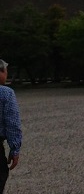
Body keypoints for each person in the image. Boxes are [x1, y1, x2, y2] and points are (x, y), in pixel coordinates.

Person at [0, 60, 22, 194]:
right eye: (5, 72)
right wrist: (15, 149)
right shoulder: (5, 93)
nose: (7, 75)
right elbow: (12, 123)